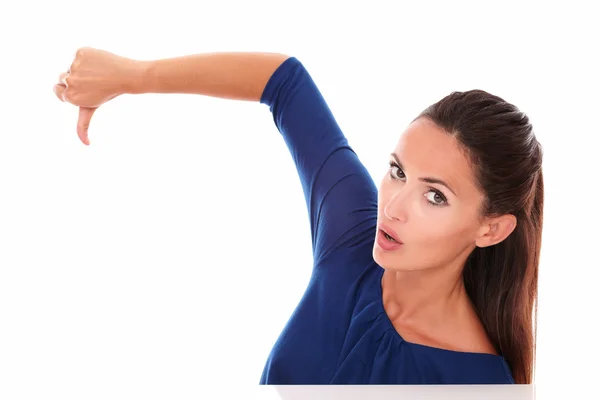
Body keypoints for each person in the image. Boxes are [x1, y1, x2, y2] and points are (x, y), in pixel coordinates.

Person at [53, 47, 544, 385]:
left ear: (491, 228)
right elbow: (286, 82)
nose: (392, 207)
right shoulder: (354, 239)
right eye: (397, 171)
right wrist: (128, 76)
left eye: (434, 196)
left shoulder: (476, 384)